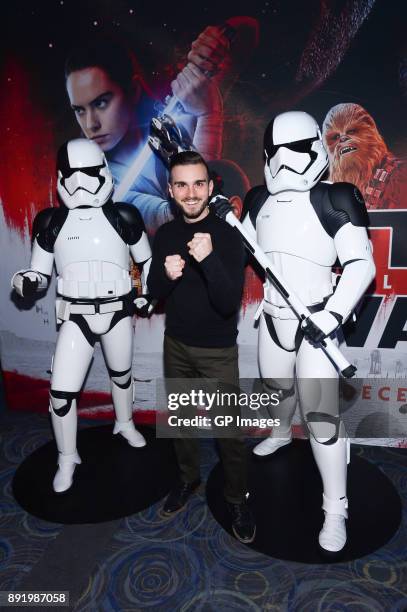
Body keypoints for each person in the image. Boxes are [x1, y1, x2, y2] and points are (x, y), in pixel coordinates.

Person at [242, 111, 375, 552]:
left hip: (318, 322)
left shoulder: (336, 199)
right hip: (275, 318)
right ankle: (279, 434)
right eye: (274, 154)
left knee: (322, 421)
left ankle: (335, 508)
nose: (285, 163)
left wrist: (333, 314)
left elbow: (360, 265)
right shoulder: (258, 200)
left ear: (315, 148)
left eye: (295, 151)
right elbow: (243, 244)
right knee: (276, 390)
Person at [11, 139, 152, 493]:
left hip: (118, 309)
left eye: (90, 173)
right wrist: (26, 281)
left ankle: (124, 422)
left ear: (104, 170)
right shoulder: (51, 221)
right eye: (72, 176)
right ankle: (66, 455)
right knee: (61, 394)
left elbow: (145, 260)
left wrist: (146, 294)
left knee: (122, 375)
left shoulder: (124, 215)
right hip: (76, 316)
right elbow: (38, 273)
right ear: (60, 178)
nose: (82, 183)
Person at [147, 150, 256, 544]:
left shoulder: (229, 234)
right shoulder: (166, 234)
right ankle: (187, 480)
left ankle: (237, 498)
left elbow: (228, 303)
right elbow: (154, 293)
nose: (190, 193)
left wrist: (208, 260)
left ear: (210, 187)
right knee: (181, 423)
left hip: (217, 349)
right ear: (171, 190)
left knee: (229, 432)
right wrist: (164, 275)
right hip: (176, 343)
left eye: (198, 184)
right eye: (181, 185)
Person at [64, 31, 227, 235]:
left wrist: (212, 48)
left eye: (101, 103)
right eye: (80, 110)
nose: (90, 124)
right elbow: (188, 212)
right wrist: (209, 116)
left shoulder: (173, 124)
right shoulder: (98, 187)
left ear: (133, 90)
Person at [322, 103, 407, 210]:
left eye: (352, 131)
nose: (343, 139)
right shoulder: (327, 191)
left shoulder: (399, 175)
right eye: (335, 137)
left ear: (371, 134)